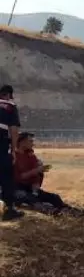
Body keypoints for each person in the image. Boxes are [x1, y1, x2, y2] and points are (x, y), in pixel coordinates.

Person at [13, 133, 84, 218]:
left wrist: (36, 183)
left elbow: (37, 174)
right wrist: (36, 171)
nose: (33, 143)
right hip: (17, 189)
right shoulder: (13, 157)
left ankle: (76, 212)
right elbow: (18, 177)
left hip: (30, 188)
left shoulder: (31, 156)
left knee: (54, 198)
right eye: (30, 141)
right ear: (22, 142)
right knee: (33, 200)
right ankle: (58, 213)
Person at [0, 83, 23, 221]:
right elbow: (13, 130)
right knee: (6, 175)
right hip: (1, 143)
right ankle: (9, 209)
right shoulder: (10, 107)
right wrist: (14, 149)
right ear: (9, 95)